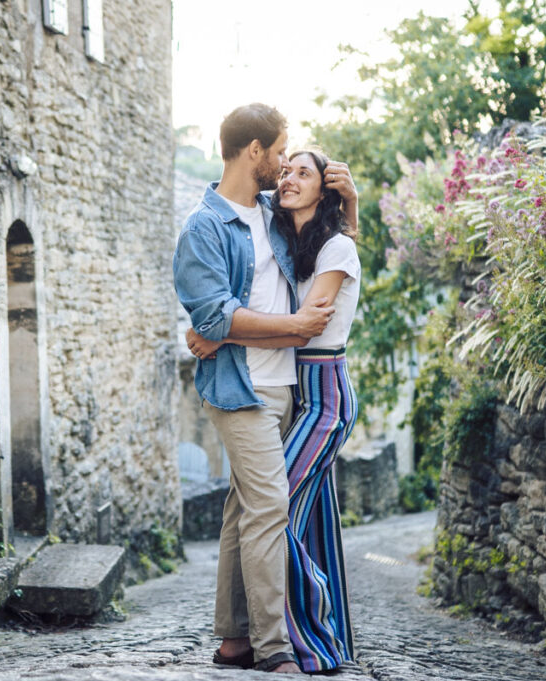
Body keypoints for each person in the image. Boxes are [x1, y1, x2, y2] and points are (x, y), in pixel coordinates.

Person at [172, 104, 356, 674]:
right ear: (253, 151)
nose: (283, 167)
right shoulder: (203, 229)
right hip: (241, 387)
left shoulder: (273, 210)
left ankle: (232, 640)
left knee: (243, 509)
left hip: (290, 388)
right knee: (272, 504)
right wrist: (285, 328)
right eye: (278, 153)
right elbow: (214, 312)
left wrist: (353, 201)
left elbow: (332, 235)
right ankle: (274, 646)